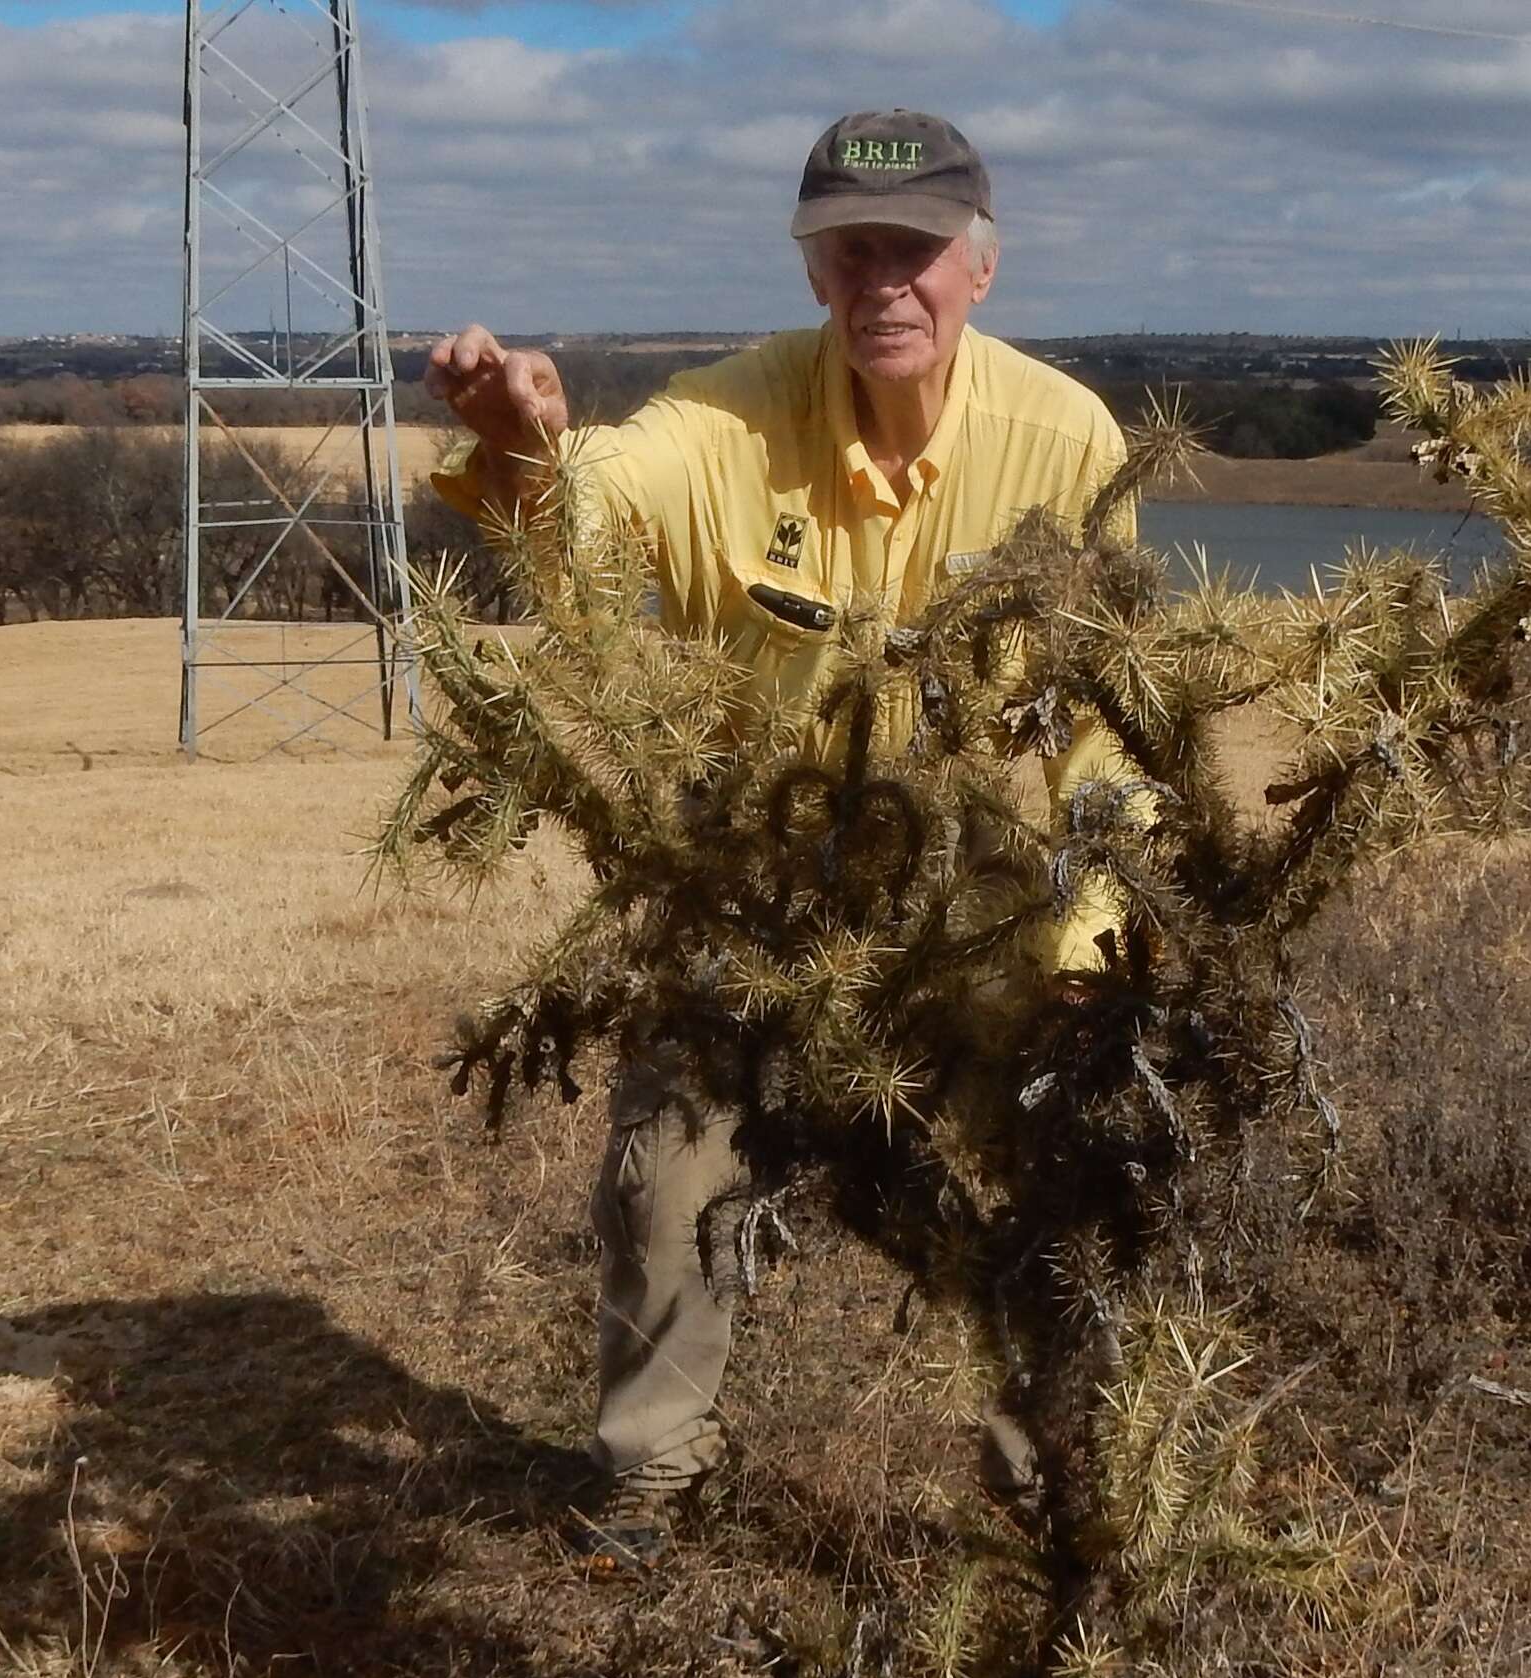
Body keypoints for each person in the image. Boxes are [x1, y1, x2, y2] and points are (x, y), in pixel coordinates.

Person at [426, 108, 1133, 1566]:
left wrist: (1091, 937)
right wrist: (527, 451)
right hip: (749, 897)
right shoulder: (726, 419)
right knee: (669, 1170)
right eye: (851, 248)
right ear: (813, 269)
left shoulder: (1069, 440)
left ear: (981, 270)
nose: (886, 281)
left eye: (917, 251)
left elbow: (1105, 716)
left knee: (1030, 1187)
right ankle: (650, 1474)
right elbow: (593, 515)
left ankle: (1044, 1483)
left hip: (974, 908)